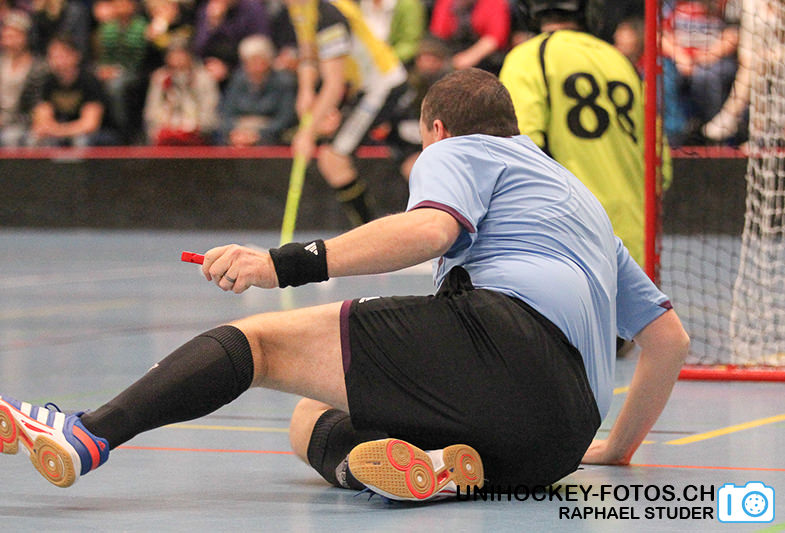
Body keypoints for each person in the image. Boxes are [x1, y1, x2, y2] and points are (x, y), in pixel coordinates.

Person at [0, 69, 688, 502]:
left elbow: (431, 231)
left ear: (437, 129)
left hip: (504, 343)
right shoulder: (581, 204)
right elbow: (667, 340)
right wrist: (613, 448)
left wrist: (280, 264)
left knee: (258, 345)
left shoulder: (457, 149)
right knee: (310, 415)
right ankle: (422, 468)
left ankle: (88, 432)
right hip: (554, 442)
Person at [499, 0, 648, 268]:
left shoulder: (527, 57)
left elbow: (520, 148)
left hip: (569, 236)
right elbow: (659, 161)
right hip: (632, 234)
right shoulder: (620, 61)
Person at [286, 0, 409, 226]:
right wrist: (305, 91)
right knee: (411, 161)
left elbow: (334, 84)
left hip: (382, 86)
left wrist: (307, 133)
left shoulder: (329, 14)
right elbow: (308, 53)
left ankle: (370, 235)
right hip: (365, 88)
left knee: (332, 159)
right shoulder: (300, 8)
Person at [661, 0, 740, 146]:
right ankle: (674, 135)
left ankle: (713, 135)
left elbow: (733, 34)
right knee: (663, 75)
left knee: (707, 76)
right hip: (678, 58)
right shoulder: (671, 4)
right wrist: (680, 56)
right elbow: (660, 34)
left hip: (716, 58)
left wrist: (707, 56)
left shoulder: (725, 4)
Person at [30, 34, 117, 146]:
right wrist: (53, 130)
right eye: (53, 56)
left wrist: (59, 131)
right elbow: (41, 119)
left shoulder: (89, 81)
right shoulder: (48, 81)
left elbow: (90, 124)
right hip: (62, 129)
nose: (58, 61)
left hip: (98, 133)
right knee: (34, 138)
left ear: (76, 56)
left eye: (62, 55)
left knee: (80, 140)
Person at [219, 34, 297, 146]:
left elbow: (285, 118)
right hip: (239, 133)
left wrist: (258, 134)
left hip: (271, 136)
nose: (255, 65)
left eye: (258, 59)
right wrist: (235, 132)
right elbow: (226, 112)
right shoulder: (238, 79)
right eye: (250, 60)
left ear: (268, 60)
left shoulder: (284, 81)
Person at [143, 39, 220, 145]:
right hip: (166, 129)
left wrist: (196, 126)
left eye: (181, 54)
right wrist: (161, 127)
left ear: (189, 56)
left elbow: (209, 108)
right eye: (173, 54)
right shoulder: (160, 78)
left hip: (196, 131)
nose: (178, 59)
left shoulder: (204, 78)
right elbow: (152, 110)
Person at [192, 0, 270, 87]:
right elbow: (198, 49)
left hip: (242, 69)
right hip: (210, 68)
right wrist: (212, 24)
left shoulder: (252, 8)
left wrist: (229, 70)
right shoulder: (207, 9)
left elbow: (260, 48)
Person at [0, 10, 48, 146]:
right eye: (6, 35)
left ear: (26, 37)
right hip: (2, 119)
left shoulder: (39, 67)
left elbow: (38, 102)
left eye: (15, 35)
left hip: (23, 121)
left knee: (11, 137)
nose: (9, 40)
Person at [428, 0, 511, 73]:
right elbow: (438, 33)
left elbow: (494, 39)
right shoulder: (446, 3)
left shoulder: (493, 3)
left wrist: (468, 57)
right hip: (452, 53)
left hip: (485, 59)